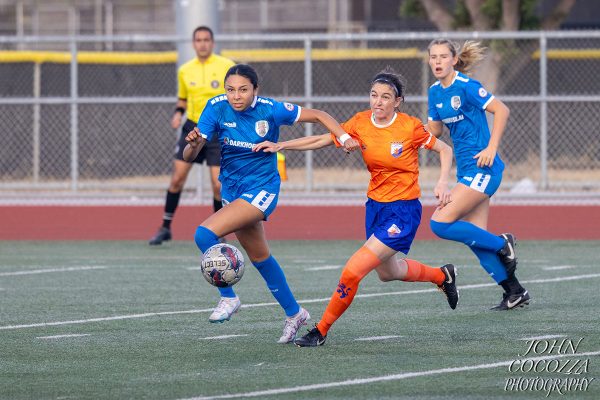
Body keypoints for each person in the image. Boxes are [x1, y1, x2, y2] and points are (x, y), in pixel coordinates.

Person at [254, 67, 458, 347]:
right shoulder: (361, 123)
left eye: (386, 97)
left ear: (397, 101)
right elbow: (322, 139)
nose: (378, 101)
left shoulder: (409, 126)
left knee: (353, 270)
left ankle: (320, 330)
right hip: (375, 207)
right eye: (374, 95)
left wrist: (443, 183)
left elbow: (445, 150)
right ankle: (441, 275)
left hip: (403, 210)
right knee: (389, 273)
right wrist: (281, 145)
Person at [183, 64, 358, 343]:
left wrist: (345, 136)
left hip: (262, 188)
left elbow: (320, 115)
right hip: (232, 188)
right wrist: (192, 143)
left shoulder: (271, 109)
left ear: (255, 90)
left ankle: (228, 298)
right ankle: (295, 313)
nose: (236, 96)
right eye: (230, 90)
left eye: (243, 89)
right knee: (260, 257)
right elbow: (190, 154)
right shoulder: (215, 107)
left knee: (203, 233)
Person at [425, 39, 530, 310]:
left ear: (453, 59)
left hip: (484, 169)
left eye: (442, 56)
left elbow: (501, 110)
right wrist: (409, 133)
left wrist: (491, 149)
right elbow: (434, 131)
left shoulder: (466, 86)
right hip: (468, 173)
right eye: (433, 57)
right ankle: (514, 292)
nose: (437, 62)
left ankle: (503, 242)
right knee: (476, 239)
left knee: (438, 223)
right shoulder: (435, 92)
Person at [149, 26, 235, 245]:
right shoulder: (185, 70)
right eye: (198, 40)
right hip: (192, 128)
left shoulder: (227, 66)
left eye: (206, 39)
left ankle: (219, 230)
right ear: (193, 43)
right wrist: (178, 114)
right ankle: (165, 227)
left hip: (217, 130)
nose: (203, 43)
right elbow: (182, 99)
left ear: (212, 42)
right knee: (177, 179)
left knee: (218, 185)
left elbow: (235, 96)